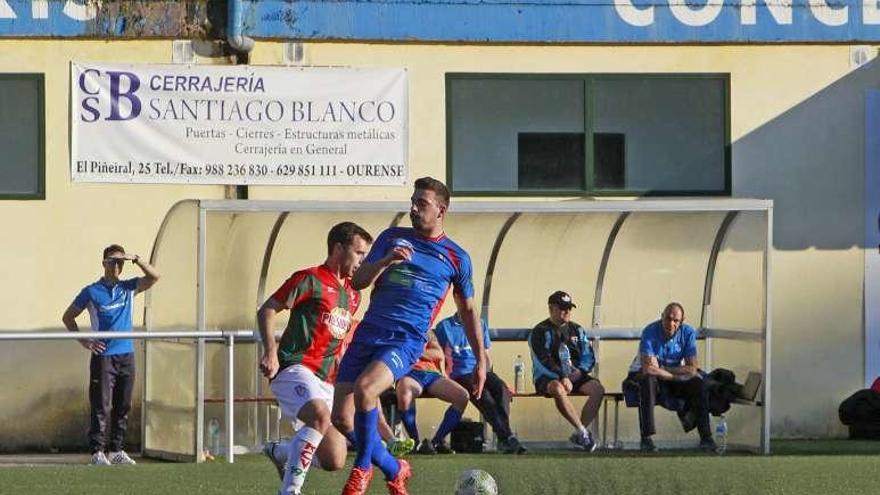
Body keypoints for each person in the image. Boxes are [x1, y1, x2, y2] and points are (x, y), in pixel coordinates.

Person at [332, 177, 487, 495]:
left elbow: (469, 312)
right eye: (413, 201)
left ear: (441, 210)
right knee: (342, 419)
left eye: (422, 203)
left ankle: (362, 468)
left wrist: (481, 360)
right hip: (369, 332)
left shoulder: (457, 258)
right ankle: (394, 468)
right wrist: (386, 261)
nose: (414, 208)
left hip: (405, 339)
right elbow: (358, 280)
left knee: (366, 390)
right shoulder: (392, 237)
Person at [258, 222, 373, 495]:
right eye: (358, 253)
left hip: (325, 380)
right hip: (292, 367)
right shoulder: (309, 279)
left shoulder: (354, 295)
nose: (361, 261)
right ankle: (290, 491)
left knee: (334, 459)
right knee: (319, 416)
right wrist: (271, 352)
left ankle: (281, 452)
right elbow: (268, 310)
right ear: (338, 248)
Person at [62, 244, 160, 465]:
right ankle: (97, 452)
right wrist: (84, 341)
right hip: (104, 356)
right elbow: (68, 317)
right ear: (103, 263)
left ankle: (116, 450)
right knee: (101, 405)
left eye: (119, 262)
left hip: (127, 354)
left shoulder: (129, 287)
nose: (115, 266)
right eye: (111, 262)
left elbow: (155, 277)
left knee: (123, 405)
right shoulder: (91, 291)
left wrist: (136, 258)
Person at [627, 302, 716, 453]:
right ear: (661, 317)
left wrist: (665, 370)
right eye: (668, 319)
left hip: (668, 373)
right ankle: (646, 438)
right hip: (645, 375)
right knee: (647, 382)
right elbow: (648, 368)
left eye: (675, 321)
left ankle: (706, 437)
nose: (671, 323)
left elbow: (692, 368)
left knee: (697, 383)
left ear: (682, 322)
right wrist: (674, 374)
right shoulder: (650, 331)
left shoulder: (687, 333)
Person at [433, 313, 526, 454]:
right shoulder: (444, 327)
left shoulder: (480, 324)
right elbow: (438, 354)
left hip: (481, 370)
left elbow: (486, 355)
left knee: (502, 390)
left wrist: (490, 375)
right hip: (459, 374)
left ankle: (505, 437)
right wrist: (444, 375)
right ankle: (507, 437)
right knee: (485, 397)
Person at [528, 290, 604, 452]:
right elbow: (542, 360)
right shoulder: (540, 331)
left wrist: (580, 373)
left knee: (597, 389)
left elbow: (588, 355)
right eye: (562, 308)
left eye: (569, 308)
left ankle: (580, 433)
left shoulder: (577, 330)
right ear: (551, 309)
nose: (567, 312)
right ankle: (583, 433)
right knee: (558, 388)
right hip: (548, 376)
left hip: (574, 374)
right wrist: (562, 376)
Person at [395, 329, 469, 455]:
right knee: (405, 393)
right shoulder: (394, 326)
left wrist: (412, 351)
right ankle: (415, 442)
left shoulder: (425, 328)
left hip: (432, 374)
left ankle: (435, 442)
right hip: (408, 373)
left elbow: (438, 354)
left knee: (462, 396)